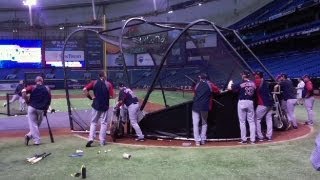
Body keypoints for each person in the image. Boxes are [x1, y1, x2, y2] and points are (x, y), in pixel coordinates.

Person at [83, 71, 114, 147]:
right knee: (103, 123)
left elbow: (84, 89)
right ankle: (102, 141)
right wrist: (105, 97)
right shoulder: (108, 84)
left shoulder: (94, 82)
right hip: (105, 106)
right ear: (104, 76)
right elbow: (112, 96)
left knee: (93, 122)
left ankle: (91, 138)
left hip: (96, 105)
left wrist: (91, 97)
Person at [192, 73, 220, 146]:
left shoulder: (197, 84)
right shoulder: (210, 84)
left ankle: (197, 141)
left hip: (196, 106)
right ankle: (203, 140)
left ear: (201, 78)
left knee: (195, 124)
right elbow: (217, 91)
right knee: (204, 123)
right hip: (204, 106)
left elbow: (195, 92)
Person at [22, 76, 51, 146]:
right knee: (36, 125)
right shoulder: (47, 88)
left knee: (33, 125)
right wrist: (46, 109)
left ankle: (29, 136)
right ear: (42, 81)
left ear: (36, 81)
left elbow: (23, 91)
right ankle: (37, 140)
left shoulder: (32, 87)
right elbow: (49, 100)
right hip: (41, 109)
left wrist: (27, 101)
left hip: (31, 107)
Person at [229, 70, 256, 144]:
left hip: (242, 102)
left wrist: (231, 82)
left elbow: (230, 88)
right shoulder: (253, 83)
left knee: (242, 122)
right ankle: (253, 140)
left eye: (242, 74)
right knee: (251, 121)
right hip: (250, 102)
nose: (241, 75)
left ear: (244, 75)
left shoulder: (241, 83)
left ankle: (244, 139)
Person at [254, 71, 273, 142]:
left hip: (263, 103)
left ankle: (260, 137)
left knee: (257, 119)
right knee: (269, 119)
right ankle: (269, 136)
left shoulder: (257, 81)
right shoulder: (266, 81)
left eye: (256, 74)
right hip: (270, 102)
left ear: (258, 75)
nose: (255, 76)